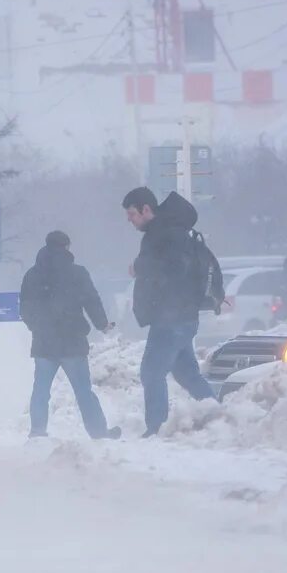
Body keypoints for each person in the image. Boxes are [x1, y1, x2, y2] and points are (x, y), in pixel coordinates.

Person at [122, 187, 218, 438]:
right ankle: (217, 414)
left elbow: (174, 268)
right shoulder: (167, 231)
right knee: (187, 374)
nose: (129, 220)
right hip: (179, 317)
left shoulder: (165, 232)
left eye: (132, 214)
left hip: (171, 318)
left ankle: (156, 428)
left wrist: (140, 266)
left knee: (151, 372)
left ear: (146, 209)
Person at [19, 230, 122, 440]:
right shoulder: (77, 272)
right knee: (84, 391)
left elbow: (25, 309)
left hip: (44, 343)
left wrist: (37, 328)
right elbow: (91, 300)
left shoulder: (32, 274)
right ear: (66, 247)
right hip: (72, 341)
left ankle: (37, 432)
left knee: (40, 391)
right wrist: (102, 324)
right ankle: (99, 432)